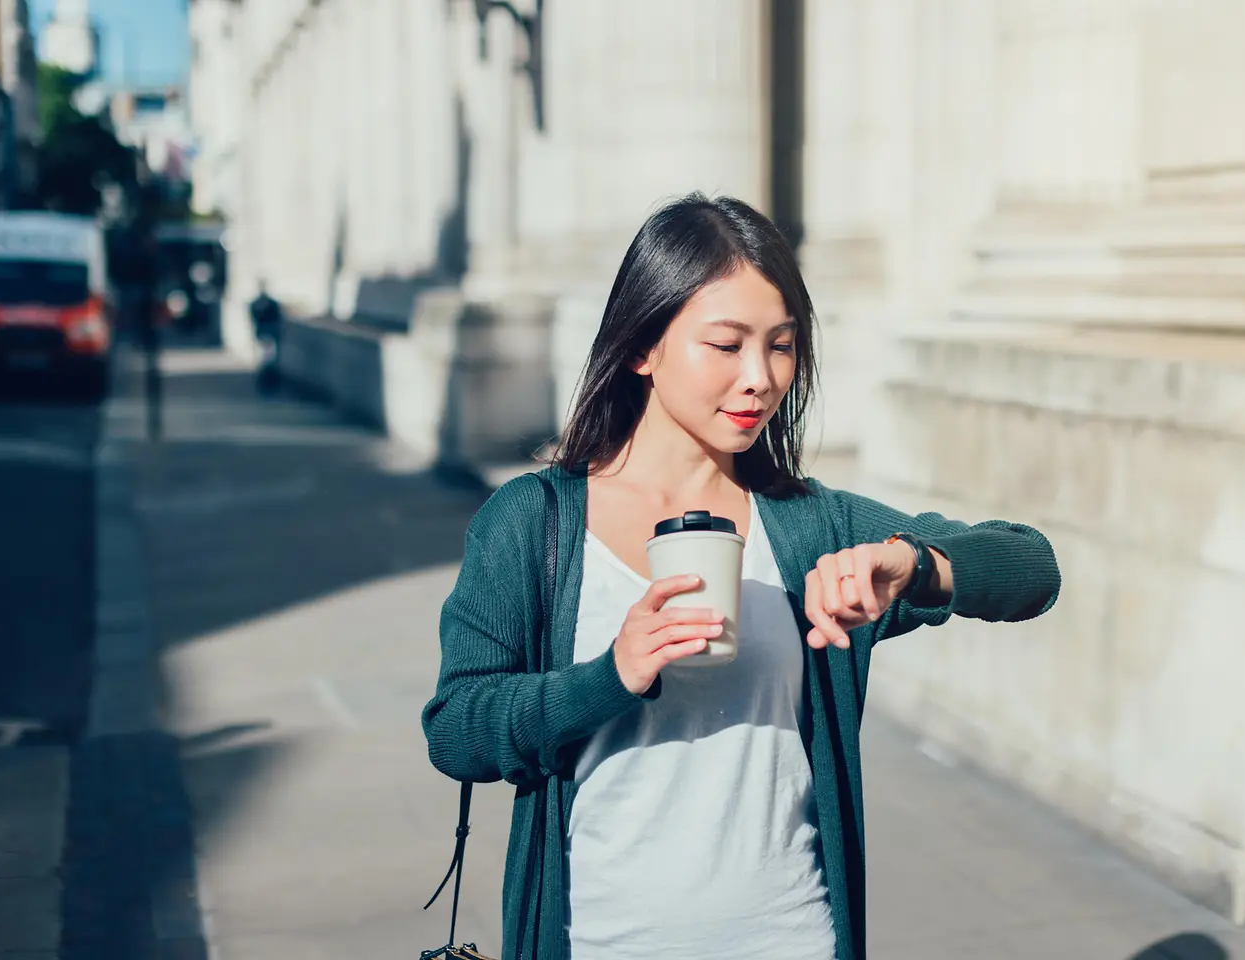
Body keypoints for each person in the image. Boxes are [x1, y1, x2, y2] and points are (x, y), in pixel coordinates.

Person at [422, 194, 1061, 960]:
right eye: (726, 345)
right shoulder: (534, 522)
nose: (760, 377)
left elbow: (1033, 568)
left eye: (782, 346)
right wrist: (608, 676)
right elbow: (457, 731)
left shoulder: (808, 524)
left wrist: (917, 567)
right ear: (642, 346)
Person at [248, 281, 283, 392]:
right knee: (264, 360)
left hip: (269, 335)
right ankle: (266, 384)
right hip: (263, 335)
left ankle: (269, 384)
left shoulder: (271, 304)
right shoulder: (257, 304)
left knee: (269, 360)